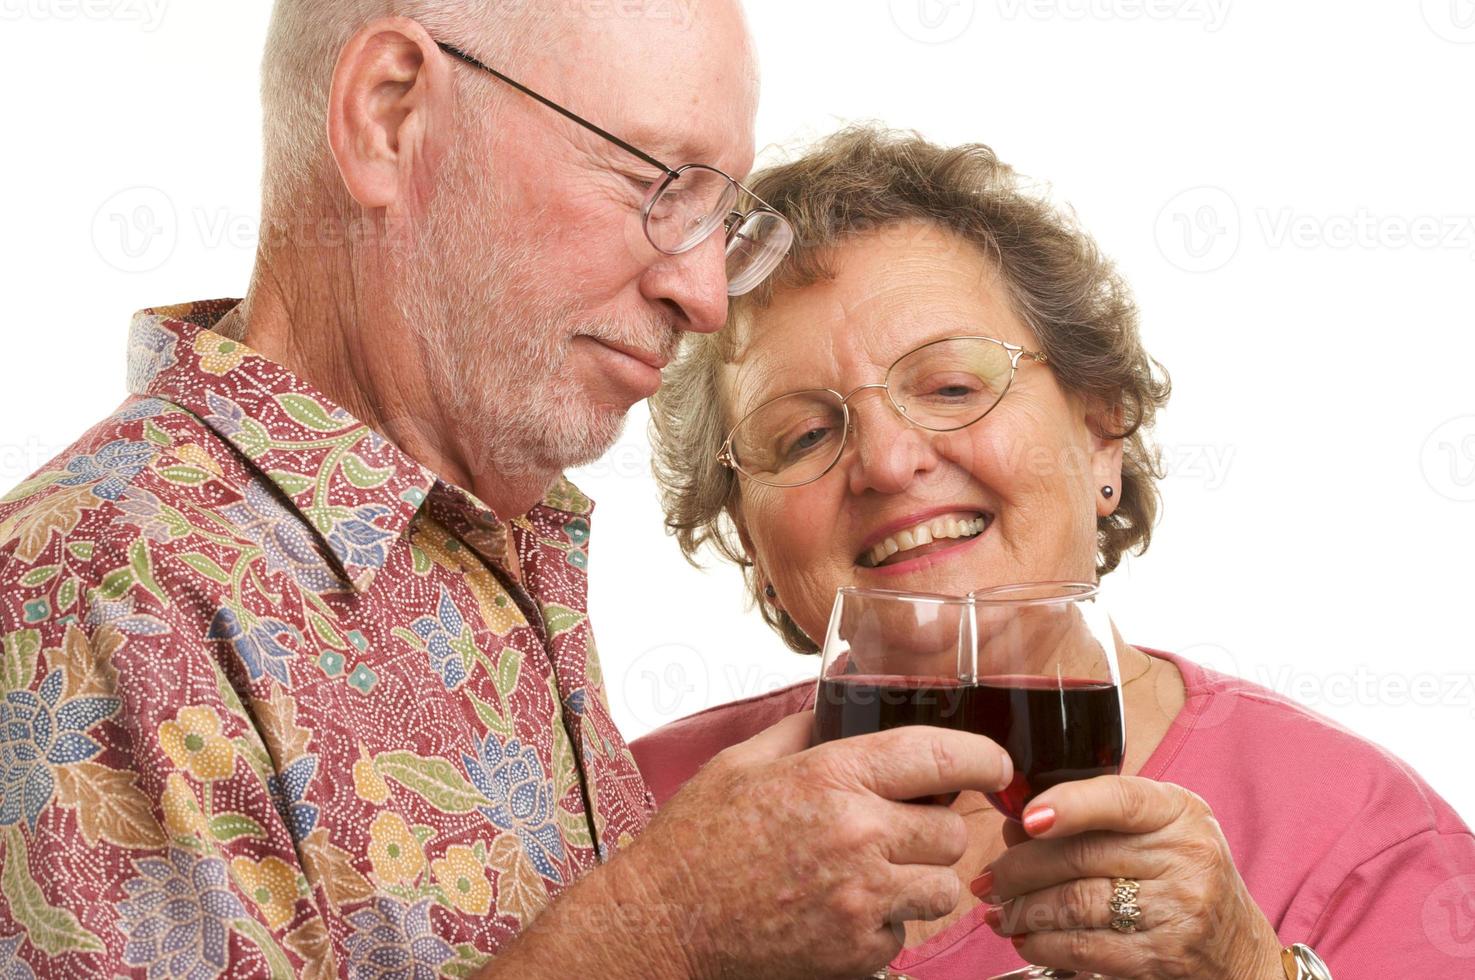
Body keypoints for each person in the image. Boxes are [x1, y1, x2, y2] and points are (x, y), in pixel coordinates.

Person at [0, 8, 1018, 979]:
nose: (704, 297)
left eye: (719, 218)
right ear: (389, 117)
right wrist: (669, 929)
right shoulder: (91, 585)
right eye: (655, 185)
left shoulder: (489, 535)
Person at [634, 125, 1475, 978]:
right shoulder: (627, 813)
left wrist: (1253, 970)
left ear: (1101, 433)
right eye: (804, 435)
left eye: (953, 386)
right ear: (746, 531)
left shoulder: (1359, 834)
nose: (888, 462)